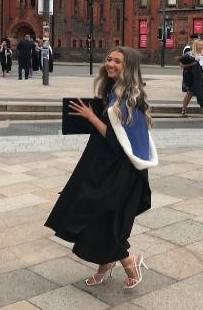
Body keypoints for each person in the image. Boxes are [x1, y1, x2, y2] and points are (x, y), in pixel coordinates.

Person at [44, 46, 158, 289]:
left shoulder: (130, 98)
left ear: (128, 67)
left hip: (121, 171)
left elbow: (120, 143)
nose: (111, 64)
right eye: (109, 59)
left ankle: (129, 260)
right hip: (106, 165)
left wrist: (91, 117)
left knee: (106, 216)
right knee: (97, 214)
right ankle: (106, 264)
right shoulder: (114, 92)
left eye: (118, 61)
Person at [180, 54, 203, 121]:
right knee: (189, 95)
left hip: (198, 79)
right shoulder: (191, 54)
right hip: (191, 79)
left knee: (201, 96)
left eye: (202, 45)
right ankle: (184, 109)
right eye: (200, 45)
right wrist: (192, 63)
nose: (202, 46)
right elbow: (182, 65)